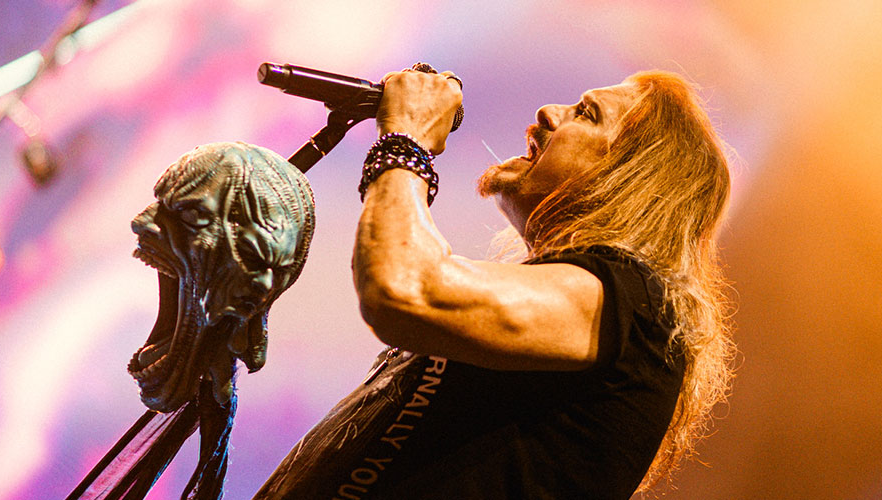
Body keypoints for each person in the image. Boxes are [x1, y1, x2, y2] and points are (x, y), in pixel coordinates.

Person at [255, 67, 735, 499]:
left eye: (586, 114)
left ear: (632, 178)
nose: (548, 112)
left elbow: (405, 290)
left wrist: (406, 142)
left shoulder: (631, 304)